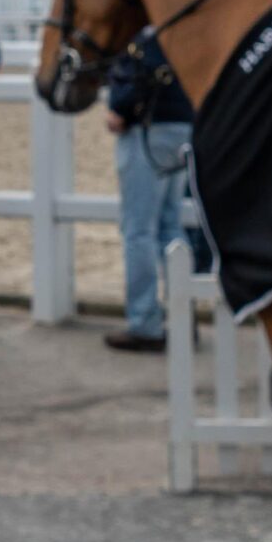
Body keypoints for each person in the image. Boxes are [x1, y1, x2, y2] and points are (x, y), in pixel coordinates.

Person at [103, 29, 196, 352]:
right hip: (182, 124)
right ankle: (184, 317)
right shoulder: (180, 25)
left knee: (138, 230)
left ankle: (144, 323)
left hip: (149, 127)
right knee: (171, 225)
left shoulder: (144, 31)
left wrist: (121, 108)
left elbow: (144, 69)